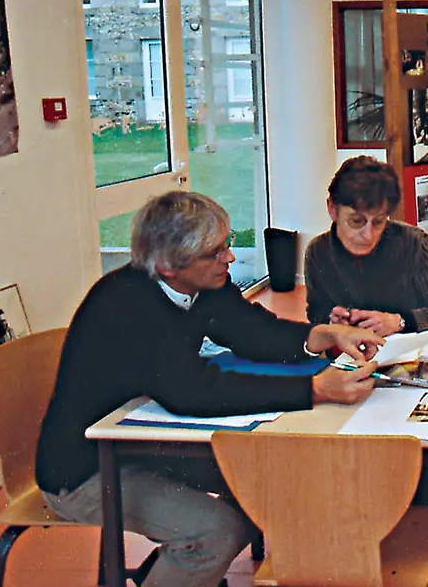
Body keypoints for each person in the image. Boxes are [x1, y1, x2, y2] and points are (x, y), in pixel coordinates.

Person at [36, 191, 382, 587]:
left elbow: (251, 331)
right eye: (214, 252)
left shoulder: (202, 282)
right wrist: (313, 389)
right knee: (215, 532)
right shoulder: (125, 305)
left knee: (270, 477)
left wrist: (319, 335)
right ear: (167, 265)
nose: (229, 259)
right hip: (84, 471)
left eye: (226, 245)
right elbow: (192, 392)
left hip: (142, 445)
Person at [304, 156, 428, 333]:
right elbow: (315, 311)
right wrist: (330, 319)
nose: (368, 235)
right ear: (332, 209)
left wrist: (401, 321)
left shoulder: (414, 244)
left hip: (409, 353)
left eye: (378, 222)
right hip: (351, 356)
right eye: (356, 221)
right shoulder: (317, 252)